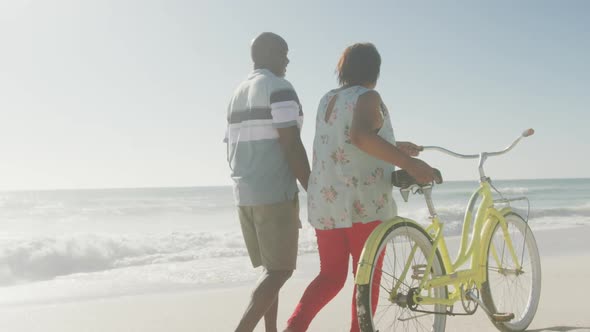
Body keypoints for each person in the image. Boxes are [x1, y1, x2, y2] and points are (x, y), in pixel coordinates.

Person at [284, 43, 438, 332]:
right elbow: (359, 136)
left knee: (330, 277)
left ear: (343, 70)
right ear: (375, 70)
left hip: (327, 203)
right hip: (362, 203)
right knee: (367, 278)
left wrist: (395, 146)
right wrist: (410, 164)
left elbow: (345, 140)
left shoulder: (327, 99)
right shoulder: (369, 96)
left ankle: (293, 328)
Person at [225, 32, 311, 332]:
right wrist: (312, 186)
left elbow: (229, 146)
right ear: (269, 53)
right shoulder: (279, 87)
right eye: (283, 52)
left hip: (244, 194)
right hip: (274, 193)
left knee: (269, 270)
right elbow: (291, 143)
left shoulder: (238, 92)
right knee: (280, 271)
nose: (287, 59)